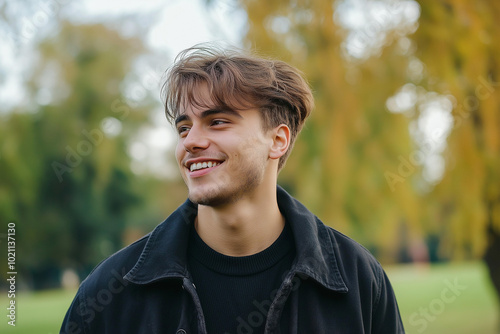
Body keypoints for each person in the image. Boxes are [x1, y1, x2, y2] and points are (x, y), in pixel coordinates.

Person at [61, 45, 405, 334]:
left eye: (217, 121)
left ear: (278, 140)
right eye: (183, 128)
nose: (191, 142)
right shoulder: (109, 292)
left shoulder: (358, 281)